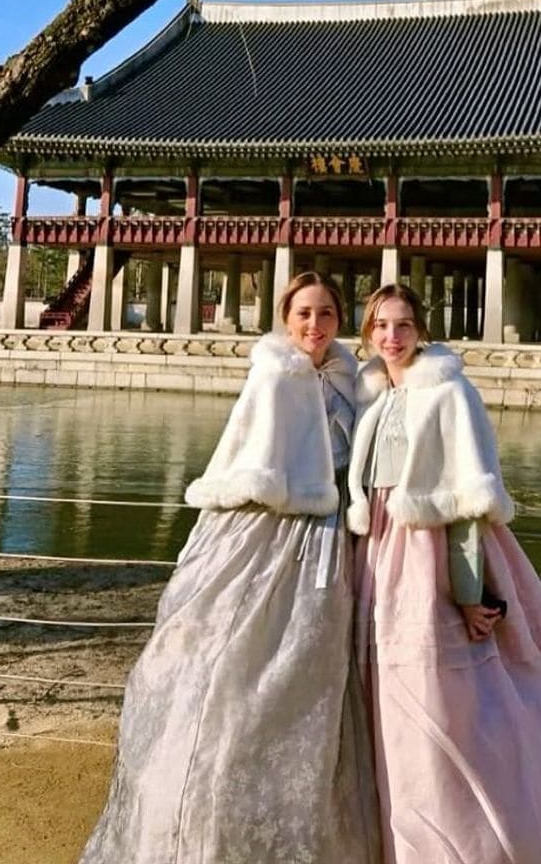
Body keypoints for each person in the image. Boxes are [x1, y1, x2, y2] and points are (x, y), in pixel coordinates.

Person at [80, 272, 381, 864]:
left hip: (327, 537)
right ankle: (209, 809)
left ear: (339, 320)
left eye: (325, 314)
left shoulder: (349, 377)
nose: (314, 326)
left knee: (315, 665)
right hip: (268, 527)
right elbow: (250, 452)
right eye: (303, 314)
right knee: (237, 662)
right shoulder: (275, 373)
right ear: (285, 318)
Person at [349, 283, 541, 864]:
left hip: (430, 553)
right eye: (380, 326)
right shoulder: (374, 395)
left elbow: (471, 502)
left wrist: (470, 593)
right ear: (368, 333)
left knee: (443, 695)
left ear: (421, 329)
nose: (392, 338)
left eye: (402, 325)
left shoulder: (450, 392)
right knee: (379, 691)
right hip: (377, 553)